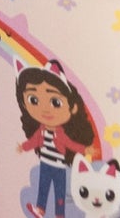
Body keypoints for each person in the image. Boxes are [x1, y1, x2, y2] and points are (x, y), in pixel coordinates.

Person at [16, 68, 98, 215]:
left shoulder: (60, 134)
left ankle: (60, 214)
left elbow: (71, 144)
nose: (45, 109)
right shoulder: (41, 130)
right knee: (43, 187)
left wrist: (85, 150)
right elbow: (34, 141)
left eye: (55, 102)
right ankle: (40, 209)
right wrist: (24, 147)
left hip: (59, 166)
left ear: (72, 108)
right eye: (33, 100)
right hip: (45, 164)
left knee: (59, 191)